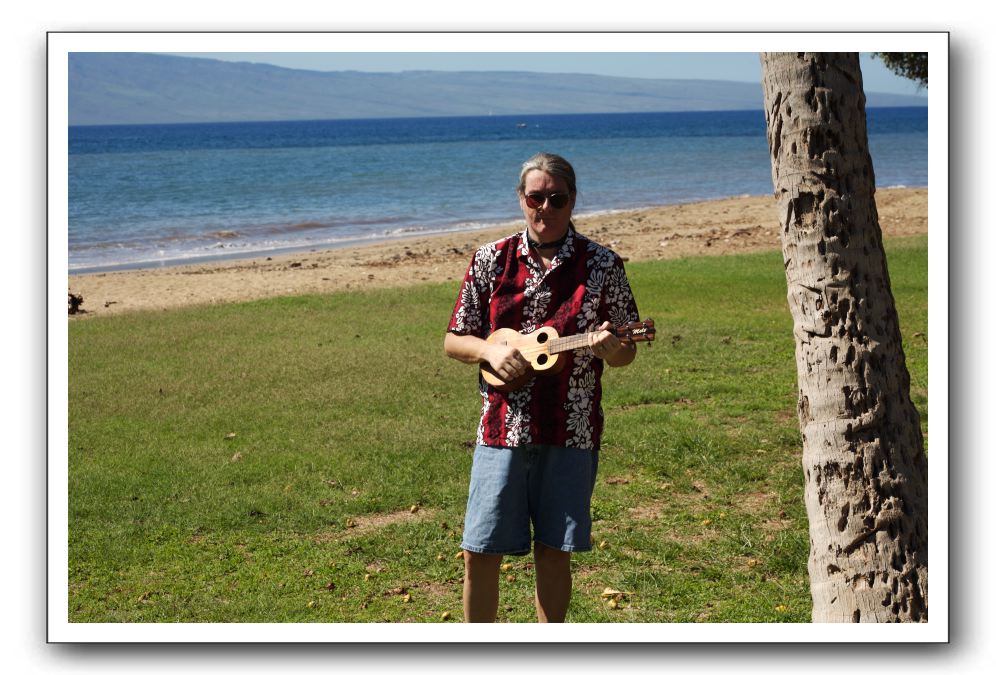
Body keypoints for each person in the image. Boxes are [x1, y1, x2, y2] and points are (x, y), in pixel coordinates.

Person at [444, 152, 641, 622]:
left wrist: (614, 350)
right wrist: (489, 352)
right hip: (500, 428)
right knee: (480, 550)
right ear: (521, 198)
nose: (545, 208)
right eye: (536, 197)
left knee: (555, 551)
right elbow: (454, 338)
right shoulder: (491, 260)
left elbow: (628, 345)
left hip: (570, 430)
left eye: (557, 198)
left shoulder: (602, 265)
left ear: (573, 201)